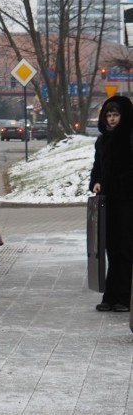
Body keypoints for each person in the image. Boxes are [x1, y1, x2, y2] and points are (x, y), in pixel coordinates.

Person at [89, 95, 133, 312]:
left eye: (115, 115)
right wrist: (96, 182)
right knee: (111, 247)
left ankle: (123, 298)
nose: (112, 119)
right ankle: (110, 295)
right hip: (107, 200)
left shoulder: (130, 138)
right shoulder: (102, 139)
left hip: (127, 200)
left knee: (125, 248)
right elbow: (97, 166)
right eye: (108, 115)